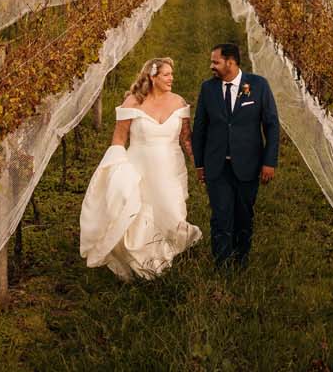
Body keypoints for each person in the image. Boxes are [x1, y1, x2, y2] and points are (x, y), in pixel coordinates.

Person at [79, 57, 202, 279]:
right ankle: (143, 260)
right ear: (152, 77)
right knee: (140, 211)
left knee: (172, 211)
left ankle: (171, 246)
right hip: (139, 167)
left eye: (172, 74)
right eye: (166, 74)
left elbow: (186, 139)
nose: (171, 78)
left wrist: (198, 164)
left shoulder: (179, 102)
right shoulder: (132, 102)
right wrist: (115, 170)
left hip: (171, 168)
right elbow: (119, 138)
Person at [190, 42, 278, 267]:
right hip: (217, 165)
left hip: (248, 164)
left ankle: (241, 260)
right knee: (221, 215)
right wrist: (199, 164)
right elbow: (199, 128)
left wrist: (269, 162)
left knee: (244, 215)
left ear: (230, 62)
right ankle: (222, 263)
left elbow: (271, 125)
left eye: (216, 62)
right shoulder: (208, 89)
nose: (211, 66)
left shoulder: (258, 85)